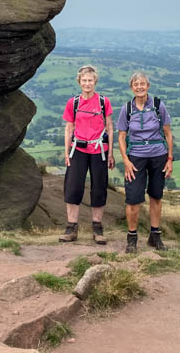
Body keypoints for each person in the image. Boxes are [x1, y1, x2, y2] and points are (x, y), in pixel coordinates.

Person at [117, 71, 174, 253]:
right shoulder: (127, 109)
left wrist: (170, 159)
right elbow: (121, 136)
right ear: (131, 88)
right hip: (135, 157)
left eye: (142, 84)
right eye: (136, 84)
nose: (139, 87)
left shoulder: (158, 105)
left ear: (148, 86)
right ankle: (132, 238)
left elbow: (168, 133)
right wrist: (126, 161)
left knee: (156, 196)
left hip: (158, 155)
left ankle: (155, 236)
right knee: (133, 199)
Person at [60, 65, 115, 244]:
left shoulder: (103, 102)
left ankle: (97, 229)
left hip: (99, 150)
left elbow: (110, 127)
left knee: (99, 188)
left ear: (95, 81)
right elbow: (69, 129)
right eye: (84, 80)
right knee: (73, 188)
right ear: (79, 82)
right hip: (78, 150)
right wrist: (66, 152)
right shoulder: (73, 103)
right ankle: (71, 228)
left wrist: (111, 153)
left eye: (90, 80)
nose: (87, 83)